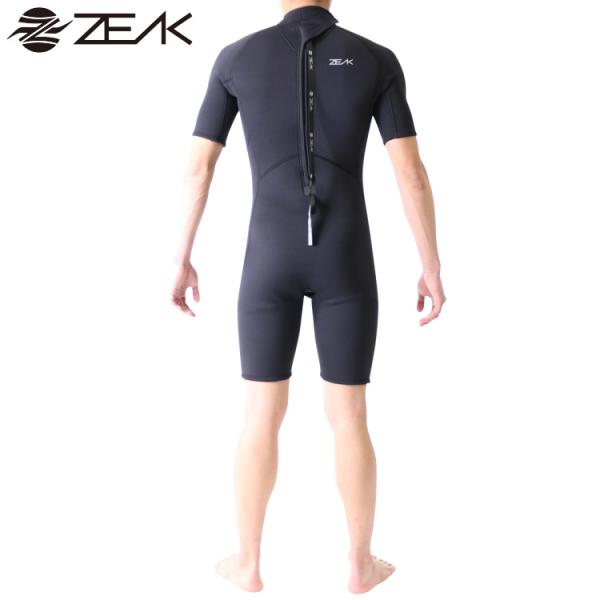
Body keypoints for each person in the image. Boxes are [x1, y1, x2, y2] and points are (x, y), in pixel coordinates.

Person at [171, 0, 446, 593]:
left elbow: (198, 168)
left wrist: (181, 257)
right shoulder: (376, 59)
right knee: (349, 415)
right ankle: (360, 564)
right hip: (345, 257)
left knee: (260, 412)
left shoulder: (236, 58)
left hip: (267, 258)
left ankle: (248, 563)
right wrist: (431, 266)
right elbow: (411, 173)